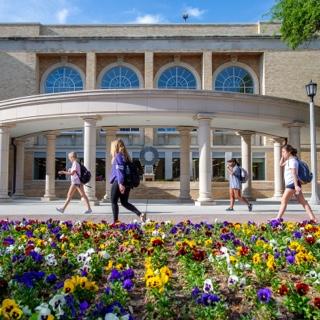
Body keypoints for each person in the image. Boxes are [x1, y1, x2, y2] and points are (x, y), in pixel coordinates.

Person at [276, 144, 317, 222]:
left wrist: (296, 186)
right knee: (303, 202)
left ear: (289, 152)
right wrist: (283, 156)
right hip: (293, 184)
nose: (282, 153)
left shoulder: (292, 161)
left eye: (284, 151)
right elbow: (280, 164)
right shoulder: (289, 160)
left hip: (292, 185)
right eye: (282, 152)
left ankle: (278, 218)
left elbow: (294, 174)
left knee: (283, 201)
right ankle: (313, 218)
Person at [110, 139, 146, 224]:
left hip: (119, 181)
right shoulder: (126, 157)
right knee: (124, 202)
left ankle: (116, 221)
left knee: (113, 201)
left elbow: (120, 171)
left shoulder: (118, 156)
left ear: (115, 147)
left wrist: (120, 183)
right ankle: (140, 214)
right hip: (127, 183)